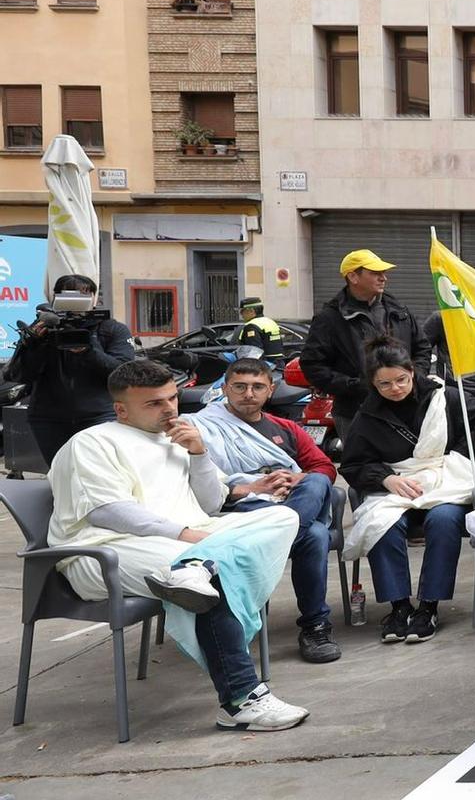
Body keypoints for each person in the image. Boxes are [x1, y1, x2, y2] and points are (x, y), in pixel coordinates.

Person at [48, 359, 308, 731]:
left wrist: (199, 454)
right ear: (121, 409)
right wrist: (186, 536)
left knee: (282, 517)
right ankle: (240, 701)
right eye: (154, 403)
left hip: (184, 542)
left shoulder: (178, 437)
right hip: (105, 549)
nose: (169, 409)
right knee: (209, 575)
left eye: (172, 398)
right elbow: (108, 512)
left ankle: (196, 566)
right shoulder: (92, 442)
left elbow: (210, 504)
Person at [339, 338, 475, 645]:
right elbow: (353, 464)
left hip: (447, 486)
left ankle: (429, 606)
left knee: (443, 520)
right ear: (372, 384)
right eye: (384, 384)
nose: (395, 388)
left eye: (401, 380)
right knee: (381, 525)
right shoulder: (368, 414)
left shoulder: (444, 397)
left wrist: (455, 455)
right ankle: (399, 607)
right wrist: (386, 478)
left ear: (413, 372)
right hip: (397, 488)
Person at [191, 358, 342, 663]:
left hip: (288, 503)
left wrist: (294, 478)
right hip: (239, 510)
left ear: (270, 390)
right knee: (312, 534)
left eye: (257, 386)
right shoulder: (201, 427)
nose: (249, 393)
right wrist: (251, 487)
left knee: (314, 483)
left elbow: (324, 467)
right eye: (240, 386)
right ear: (225, 388)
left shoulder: (285, 428)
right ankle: (315, 624)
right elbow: (198, 484)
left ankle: (313, 624)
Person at [8, 273, 137, 463]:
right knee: (60, 473)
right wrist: (36, 343)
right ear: (55, 298)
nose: (75, 301)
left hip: (99, 414)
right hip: (48, 418)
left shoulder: (111, 329)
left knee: (100, 470)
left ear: (94, 297)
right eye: (68, 295)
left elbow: (123, 373)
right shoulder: (44, 328)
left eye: (83, 295)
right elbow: (20, 374)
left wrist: (88, 349)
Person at [300, 249, 428, 431]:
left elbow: (422, 347)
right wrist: (357, 386)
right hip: (355, 412)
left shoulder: (399, 310)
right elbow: (313, 366)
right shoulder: (330, 318)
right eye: (375, 273)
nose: (384, 278)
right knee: (361, 460)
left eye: (384, 273)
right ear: (353, 277)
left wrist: (413, 378)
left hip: (405, 409)